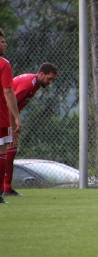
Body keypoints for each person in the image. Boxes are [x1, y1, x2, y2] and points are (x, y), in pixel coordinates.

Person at [1, 62, 58, 197]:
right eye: (49, 78)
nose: (50, 82)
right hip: (4, 116)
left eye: (52, 80)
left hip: (6, 116)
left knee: (10, 151)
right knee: (7, 151)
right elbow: (9, 104)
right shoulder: (29, 85)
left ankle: (6, 188)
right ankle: (5, 188)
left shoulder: (35, 84)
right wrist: (13, 127)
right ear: (41, 74)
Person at [0, 28, 22, 203]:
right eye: (2, 41)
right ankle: (0, 192)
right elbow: (8, 92)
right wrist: (16, 117)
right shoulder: (4, 64)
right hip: (1, 117)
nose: (5, 44)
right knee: (1, 154)